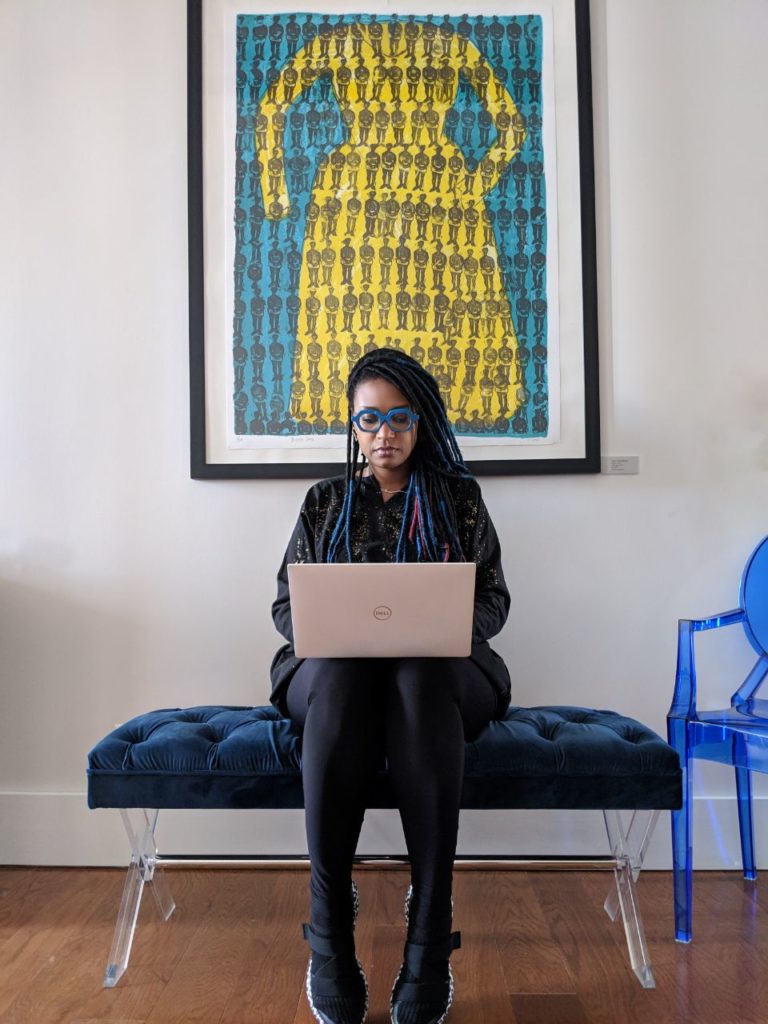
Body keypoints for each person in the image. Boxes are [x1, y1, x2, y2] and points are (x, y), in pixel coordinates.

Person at [270, 347, 511, 1024]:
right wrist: (332, 629)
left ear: (421, 423)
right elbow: (285, 607)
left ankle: (430, 935)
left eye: (399, 418)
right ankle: (329, 934)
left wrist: (439, 623)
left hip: (442, 677)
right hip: (331, 678)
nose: (384, 434)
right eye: (369, 419)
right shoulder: (326, 501)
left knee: (419, 673)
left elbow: (494, 601)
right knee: (346, 674)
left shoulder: (459, 500)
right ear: (352, 426)